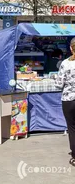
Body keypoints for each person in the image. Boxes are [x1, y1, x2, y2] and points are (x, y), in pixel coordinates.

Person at [56, 37, 75, 167]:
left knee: (72, 128)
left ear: (70, 48)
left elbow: (59, 84)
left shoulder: (66, 63)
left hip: (69, 100)